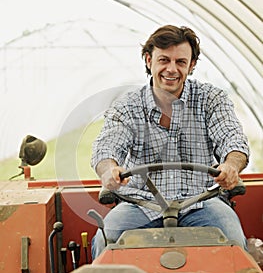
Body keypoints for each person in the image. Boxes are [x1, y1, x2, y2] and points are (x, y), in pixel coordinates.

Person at [91, 25, 249, 259]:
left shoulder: (211, 99)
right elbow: (107, 146)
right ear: (149, 60)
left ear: (192, 65)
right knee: (106, 241)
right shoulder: (127, 105)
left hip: (202, 202)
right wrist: (109, 170)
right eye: (164, 60)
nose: (172, 69)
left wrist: (231, 166)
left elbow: (232, 139)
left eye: (181, 62)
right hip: (141, 204)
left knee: (234, 242)